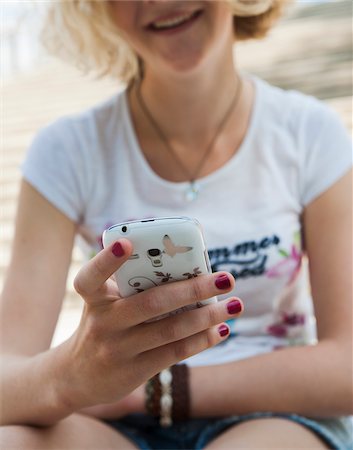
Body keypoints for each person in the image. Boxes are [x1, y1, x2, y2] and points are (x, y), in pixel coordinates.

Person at [0, 0, 352, 449]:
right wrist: (76, 372)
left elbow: (347, 367)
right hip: (111, 427)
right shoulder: (65, 152)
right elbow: (6, 378)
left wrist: (151, 393)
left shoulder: (309, 133)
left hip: (275, 414)